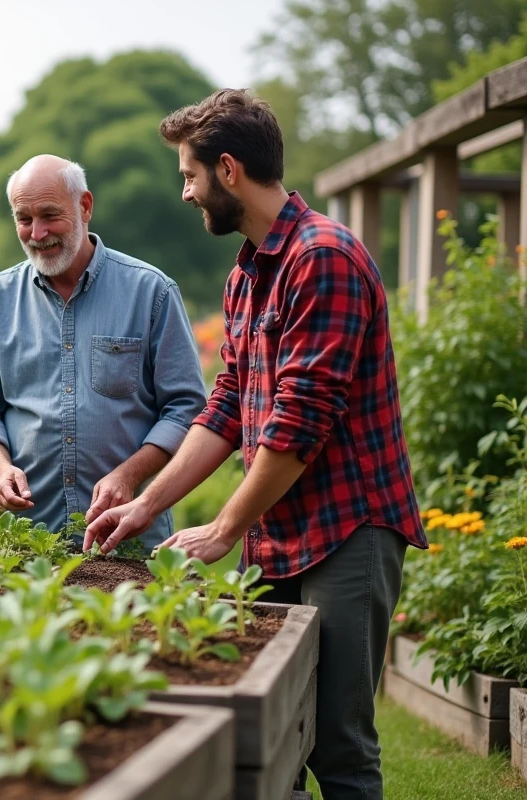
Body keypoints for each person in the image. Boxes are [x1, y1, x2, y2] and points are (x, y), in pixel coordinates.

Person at [85, 89, 428, 800]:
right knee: (273, 735)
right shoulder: (249, 272)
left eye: (189, 174)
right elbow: (228, 408)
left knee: (337, 744)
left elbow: (301, 422)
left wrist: (226, 525)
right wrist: (148, 503)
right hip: (280, 532)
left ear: (229, 170)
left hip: (347, 529)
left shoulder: (322, 257)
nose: (185, 191)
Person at [0, 154, 206, 549]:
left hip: (127, 534)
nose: (37, 233)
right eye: (23, 219)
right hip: (27, 538)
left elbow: (186, 407)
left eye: (49, 215)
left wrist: (128, 475)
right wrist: (1, 468)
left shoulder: (151, 292)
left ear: (85, 206)